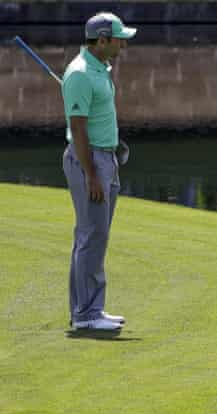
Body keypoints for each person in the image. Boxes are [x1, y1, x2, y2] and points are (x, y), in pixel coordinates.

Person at [62, 12, 136, 331]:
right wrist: (92, 174)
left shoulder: (98, 69)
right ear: (102, 40)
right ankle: (86, 315)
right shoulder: (80, 74)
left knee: (93, 235)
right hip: (88, 161)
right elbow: (78, 130)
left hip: (104, 158)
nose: (123, 43)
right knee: (92, 235)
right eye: (119, 38)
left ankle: (90, 308)